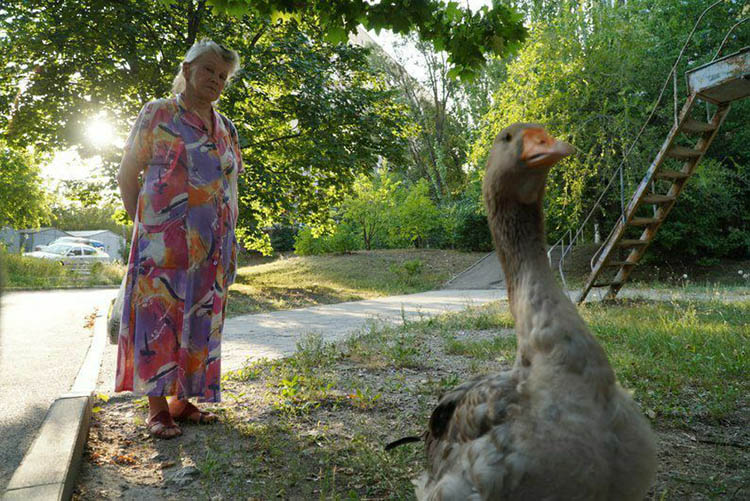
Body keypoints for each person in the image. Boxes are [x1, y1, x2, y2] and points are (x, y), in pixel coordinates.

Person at [116, 39, 243, 439]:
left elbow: (230, 187)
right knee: (160, 322)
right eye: (208, 70)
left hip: (212, 249)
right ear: (187, 70)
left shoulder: (226, 128)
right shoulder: (158, 113)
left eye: (223, 75)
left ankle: (182, 402)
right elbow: (127, 173)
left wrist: (232, 241)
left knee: (199, 322)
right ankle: (157, 411)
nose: (215, 80)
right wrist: (146, 229)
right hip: (162, 246)